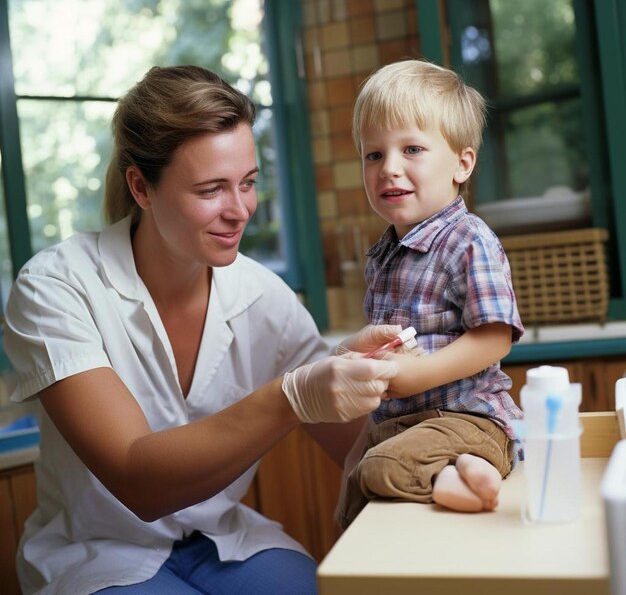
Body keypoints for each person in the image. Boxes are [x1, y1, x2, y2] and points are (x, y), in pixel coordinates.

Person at [3, 65, 403, 595]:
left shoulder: (264, 296)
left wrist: (461, 453)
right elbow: (137, 480)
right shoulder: (56, 287)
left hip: (223, 539)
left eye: (249, 183)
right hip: (97, 552)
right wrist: (291, 396)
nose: (239, 211)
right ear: (141, 187)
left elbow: (363, 445)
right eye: (212, 189)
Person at [336, 59, 525, 530]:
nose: (389, 169)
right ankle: (457, 473)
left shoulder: (468, 239)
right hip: (404, 423)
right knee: (351, 492)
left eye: (412, 149)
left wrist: (415, 374)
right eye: (373, 155)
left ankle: (466, 469)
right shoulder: (384, 252)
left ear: (463, 163)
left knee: (381, 470)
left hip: (468, 419)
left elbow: (495, 337)